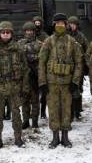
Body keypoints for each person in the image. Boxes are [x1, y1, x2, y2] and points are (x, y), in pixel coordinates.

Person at [0, 21, 29, 151]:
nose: (5, 34)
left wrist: (25, 87)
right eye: (3, 32)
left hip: (14, 87)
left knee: (16, 114)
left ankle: (18, 138)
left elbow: (25, 70)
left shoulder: (18, 49)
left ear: (11, 34)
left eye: (8, 32)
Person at [38, 13, 83, 149]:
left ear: (66, 25)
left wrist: (75, 82)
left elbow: (78, 63)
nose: (60, 26)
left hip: (67, 83)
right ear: (54, 25)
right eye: (57, 24)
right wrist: (42, 83)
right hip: (52, 83)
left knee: (66, 110)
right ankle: (55, 137)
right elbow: (41, 63)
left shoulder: (72, 42)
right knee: (53, 110)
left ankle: (65, 137)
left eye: (62, 24)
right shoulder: (48, 41)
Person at [19, 21, 42, 130]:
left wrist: (33, 59)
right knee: (24, 100)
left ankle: (35, 121)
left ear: (34, 32)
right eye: (27, 31)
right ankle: (26, 120)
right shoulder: (19, 43)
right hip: (23, 77)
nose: (29, 33)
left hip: (35, 76)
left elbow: (42, 58)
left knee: (35, 100)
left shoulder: (40, 44)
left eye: (31, 31)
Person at [68, 16, 88, 121]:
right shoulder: (65, 36)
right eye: (70, 24)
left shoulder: (81, 37)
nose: (72, 26)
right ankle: (70, 112)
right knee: (69, 90)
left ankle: (78, 110)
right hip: (68, 67)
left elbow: (86, 51)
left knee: (78, 89)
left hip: (79, 67)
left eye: (74, 24)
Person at [33, 16, 49, 119]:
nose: (37, 25)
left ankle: (43, 111)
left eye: (39, 23)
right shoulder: (30, 35)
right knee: (33, 92)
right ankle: (34, 112)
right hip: (32, 67)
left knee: (43, 92)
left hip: (42, 67)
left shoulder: (45, 36)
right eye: (35, 23)